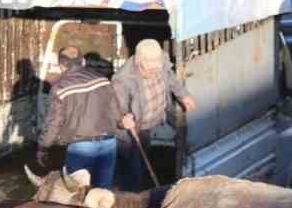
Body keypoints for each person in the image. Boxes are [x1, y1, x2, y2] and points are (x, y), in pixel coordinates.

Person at [113, 38, 197, 191]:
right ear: (138, 61)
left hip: (149, 124)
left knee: (144, 157)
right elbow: (117, 108)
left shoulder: (160, 62)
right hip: (131, 131)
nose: (154, 72)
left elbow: (170, 78)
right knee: (133, 168)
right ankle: (132, 195)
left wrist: (183, 94)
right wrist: (123, 119)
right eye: (149, 70)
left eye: (156, 69)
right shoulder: (122, 80)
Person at [37, 50, 121, 188]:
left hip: (80, 147)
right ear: (83, 61)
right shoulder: (103, 80)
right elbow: (117, 113)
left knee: (77, 190)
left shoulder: (60, 88)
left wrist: (43, 147)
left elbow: (54, 124)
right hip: (109, 142)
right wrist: (123, 123)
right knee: (102, 193)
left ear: (61, 66)